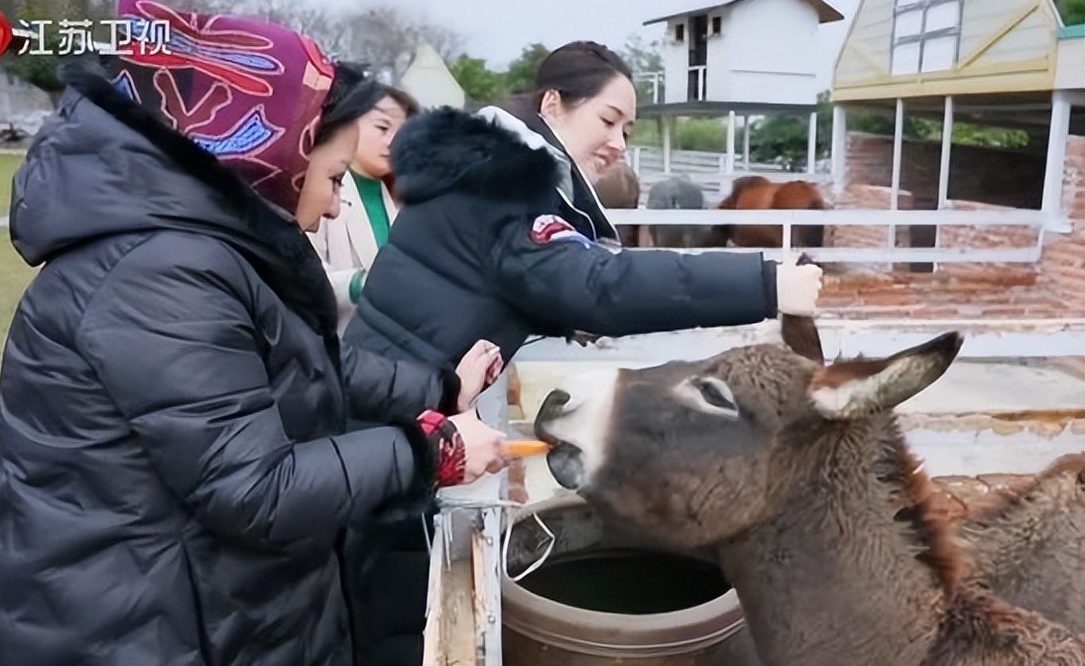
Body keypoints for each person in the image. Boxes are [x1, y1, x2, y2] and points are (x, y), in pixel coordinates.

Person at [0, 0, 506, 666]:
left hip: (202, 602)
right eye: (331, 176)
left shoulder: (208, 243)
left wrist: (441, 389)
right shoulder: (159, 272)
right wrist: (430, 452)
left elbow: (303, 364)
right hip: (131, 627)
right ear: (271, 153)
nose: (335, 206)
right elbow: (251, 487)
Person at [340, 40, 824, 664]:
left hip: (391, 411)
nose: (618, 142)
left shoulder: (484, 177)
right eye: (607, 119)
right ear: (552, 105)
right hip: (400, 431)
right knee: (399, 619)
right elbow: (598, 286)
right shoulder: (507, 192)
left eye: (626, 127)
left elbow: (525, 281)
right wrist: (764, 283)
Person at [309, 86, 420, 330]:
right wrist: (359, 284)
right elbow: (303, 278)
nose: (392, 142)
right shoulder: (321, 192)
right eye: (382, 128)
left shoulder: (403, 200)